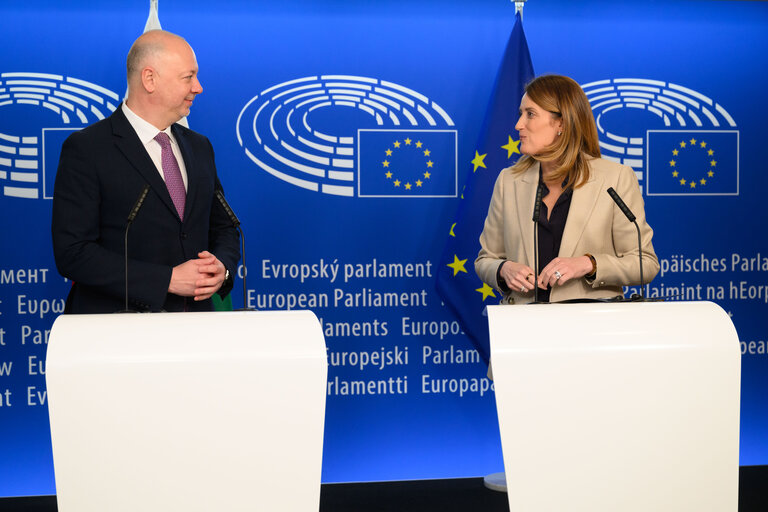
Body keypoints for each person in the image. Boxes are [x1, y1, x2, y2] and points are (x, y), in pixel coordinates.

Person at [52, 30, 240, 313]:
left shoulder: (200, 147)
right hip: (117, 332)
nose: (198, 87)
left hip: (197, 331)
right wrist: (167, 279)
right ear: (150, 79)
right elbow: (73, 253)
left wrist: (221, 267)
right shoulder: (87, 149)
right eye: (188, 77)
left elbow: (224, 227)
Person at [475, 74, 659, 304]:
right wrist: (503, 269)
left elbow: (645, 264)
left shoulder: (615, 178)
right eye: (520, 114)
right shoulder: (508, 181)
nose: (518, 125)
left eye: (530, 114)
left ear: (562, 123)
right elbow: (486, 259)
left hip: (592, 328)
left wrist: (588, 263)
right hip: (523, 329)